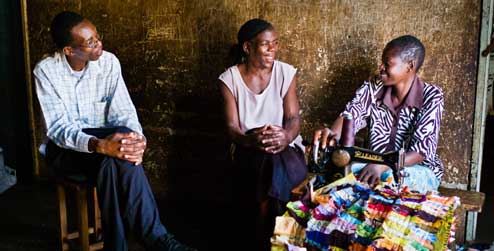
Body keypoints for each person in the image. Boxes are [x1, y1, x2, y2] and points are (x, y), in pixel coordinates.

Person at [33, 11, 197, 251]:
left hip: (109, 150)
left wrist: (135, 140)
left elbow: (124, 112)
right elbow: (58, 129)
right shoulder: (46, 71)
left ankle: (118, 245)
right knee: (111, 156)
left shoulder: (108, 62)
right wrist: (99, 145)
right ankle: (157, 238)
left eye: (97, 37)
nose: (99, 44)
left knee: (113, 158)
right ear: (69, 50)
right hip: (66, 152)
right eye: (90, 42)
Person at [313, 35, 443, 194]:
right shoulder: (373, 86)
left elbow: (421, 151)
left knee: (388, 180)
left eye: (387, 64)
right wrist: (333, 134)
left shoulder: (431, 96)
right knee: (339, 173)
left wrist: (383, 165)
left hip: (418, 170)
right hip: (374, 165)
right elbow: (351, 114)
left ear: (410, 66)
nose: (380, 67)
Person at [218, 18, 307, 251]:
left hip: (286, 148)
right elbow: (231, 128)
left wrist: (286, 137)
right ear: (247, 47)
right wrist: (252, 140)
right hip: (248, 149)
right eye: (266, 44)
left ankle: (262, 235)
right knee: (268, 162)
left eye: (275, 43)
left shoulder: (285, 73)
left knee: (273, 161)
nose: (272, 49)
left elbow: (293, 119)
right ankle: (274, 235)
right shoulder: (229, 79)